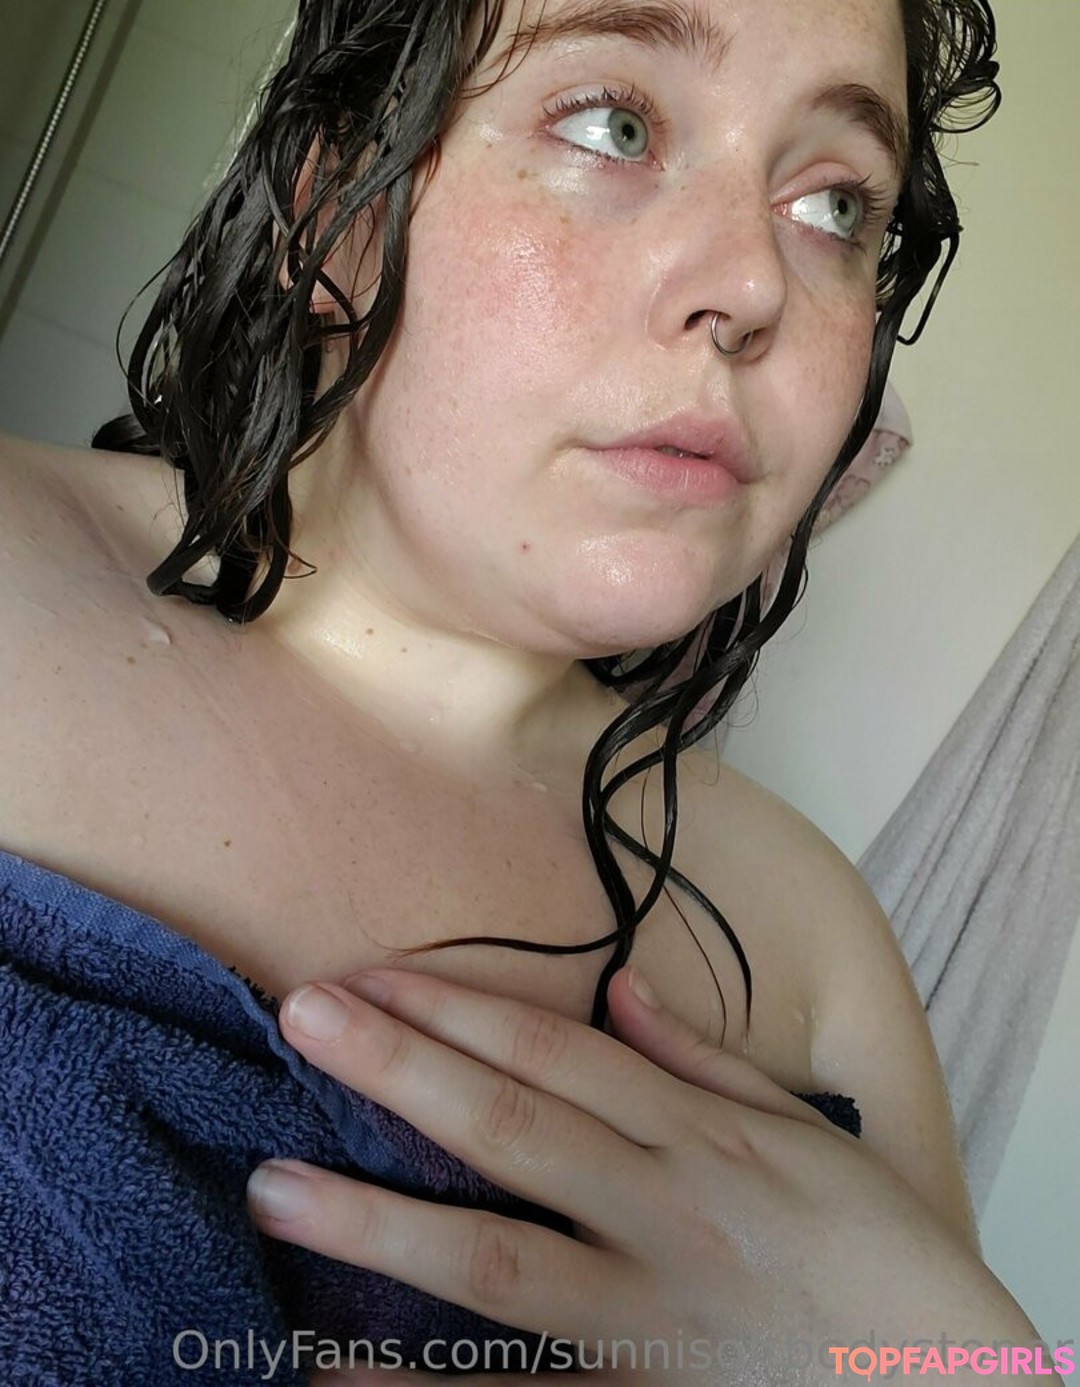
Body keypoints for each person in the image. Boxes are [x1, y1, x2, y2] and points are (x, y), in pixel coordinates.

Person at [0, 0, 1064, 1382]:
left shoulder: (820, 957)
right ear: (336, 211)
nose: (754, 286)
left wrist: (961, 1364)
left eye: (834, 205)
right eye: (614, 125)